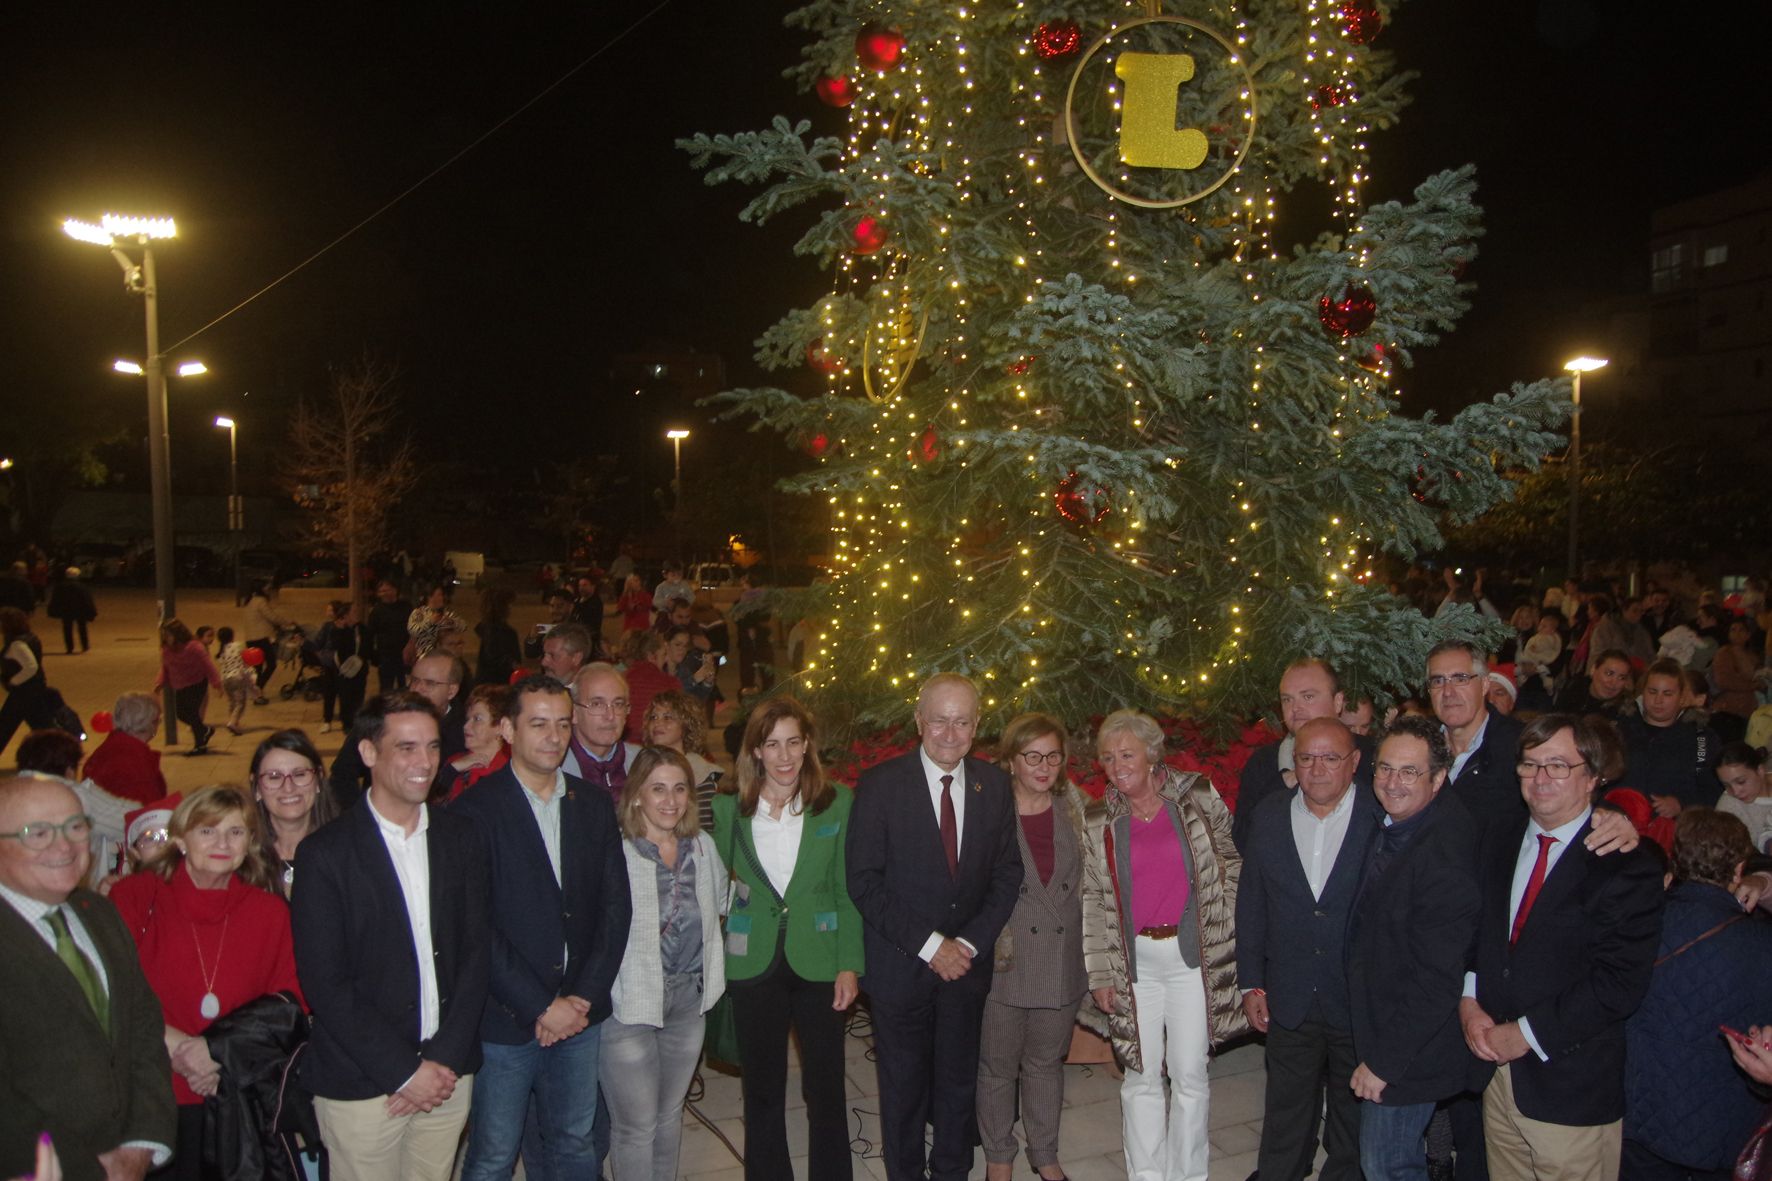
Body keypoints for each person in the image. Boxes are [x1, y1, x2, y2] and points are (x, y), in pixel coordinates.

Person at [291, 692, 491, 1181]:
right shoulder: (325, 854)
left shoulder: (461, 837)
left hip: (446, 1074)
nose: (424, 763)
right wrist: (405, 1071)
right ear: (367, 753)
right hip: (363, 1083)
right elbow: (326, 984)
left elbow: (476, 953)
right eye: (406, 747)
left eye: (432, 747)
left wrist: (441, 1060)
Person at [1460, 713, 1665, 1181]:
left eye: (1558, 765)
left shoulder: (1624, 865)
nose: (1540, 778)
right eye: (1530, 765)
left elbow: (1619, 984)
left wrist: (1526, 1034)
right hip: (1496, 1077)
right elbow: (1481, 934)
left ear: (1593, 776)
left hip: (1570, 1085)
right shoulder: (1501, 837)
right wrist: (1469, 998)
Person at [451, 675, 631, 1181]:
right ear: (508, 729)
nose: (553, 737)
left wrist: (582, 999)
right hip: (507, 1019)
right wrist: (539, 1005)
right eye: (538, 724)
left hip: (579, 1013)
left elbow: (615, 910)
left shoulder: (592, 805)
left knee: (576, 1143)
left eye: (562, 724)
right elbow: (474, 925)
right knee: (493, 1153)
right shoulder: (473, 811)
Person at [847, 673, 1022, 1181]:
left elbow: (1008, 873)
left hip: (966, 967)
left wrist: (966, 944)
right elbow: (863, 881)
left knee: (957, 1083)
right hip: (901, 966)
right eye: (939, 719)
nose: (950, 732)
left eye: (962, 720)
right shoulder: (881, 786)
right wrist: (930, 947)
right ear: (919, 720)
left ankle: (951, 1172)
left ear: (977, 726)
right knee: (902, 1087)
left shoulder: (993, 787)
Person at [1080, 707, 1247, 1181]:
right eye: (1108, 758)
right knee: (1140, 1074)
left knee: (1190, 1073)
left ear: (1152, 754)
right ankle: (1147, 1176)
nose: (1117, 766)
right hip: (1134, 964)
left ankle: (1189, 1175)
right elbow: (1093, 896)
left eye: (1127, 754)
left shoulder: (1195, 795)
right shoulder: (1099, 818)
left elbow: (1232, 858)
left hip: (1190, 958)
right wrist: (1099, 973)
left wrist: (1224, 918)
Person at [108, 785, 303, 1180]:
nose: (222, 843)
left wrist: (215, 1051)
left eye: (235, 832)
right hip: (149, 1091)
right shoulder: (135, 896)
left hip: (231, 1097)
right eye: (207, 831)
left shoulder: (269, 912)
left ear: (249, 843)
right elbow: (110, 992)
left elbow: (290, 1002)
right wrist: (185, 1049)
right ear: (180, 838)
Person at [711, 697, 862, 1181]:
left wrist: (849, 965)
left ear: (808, 746)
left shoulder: (835, 802)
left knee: (825, 1088)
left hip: (819, 960)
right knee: (761, 1089)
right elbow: (718, 887)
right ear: (754, 750)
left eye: (793, 742)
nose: (783, 756)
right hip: (753, 963)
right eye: (771, 744)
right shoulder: (727, 809)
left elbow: (846, 890)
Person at [0, 774, 177, 1181]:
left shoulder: (98, 913)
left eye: (76, 827)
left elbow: (144, 1032)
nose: (64, 847)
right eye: (37, 832)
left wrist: (140, 1145)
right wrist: (90, 1171)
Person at [1237, 717, 1376, 1181]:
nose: (1317, 769)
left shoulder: (1381, 817)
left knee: (1352, 1114)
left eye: (1330, 758)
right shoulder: (1270, 814)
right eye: (1306, 757)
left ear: (1354, 763)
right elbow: (1252, 902)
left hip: (1357, 996)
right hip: (1289, 993)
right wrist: (1252, 981)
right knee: (1285, 1109)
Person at [1346, 716, 1483, 1181]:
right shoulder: (1391, 822)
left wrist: (1383, 1064)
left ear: (1439, 779)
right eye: (1385, 769)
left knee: (1387, 1166)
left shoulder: (1443, 854)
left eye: (1409, 772)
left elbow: (1436, 978)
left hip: (1410, 1050)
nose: (1393, 782)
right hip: (1385, 1029)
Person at [974, 712, 1092, 1181]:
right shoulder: (989, 813)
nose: (1043, 766)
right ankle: (999, 1157)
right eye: (1032, 756)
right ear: (1011, 760)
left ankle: (1044, 1154)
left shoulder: (1075, 808)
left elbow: (1092, 883)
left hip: (1061, 962)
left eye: (1053, 756)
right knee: (997, 1067)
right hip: (1006, 959)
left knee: (1045, 1064)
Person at [1624, 808, 1772, 1181]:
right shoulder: (1761, 943)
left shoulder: (1639, 922)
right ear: (1739, 868)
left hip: (1641, 1115)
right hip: (1723, 1127)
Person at [602, 746, 726, 1181]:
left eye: (679, 789)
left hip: (688, 1002)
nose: (671, 801)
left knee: (670, 1114)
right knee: (636, 1126)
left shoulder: (703, 848)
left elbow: (720, 907)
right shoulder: (616, 852)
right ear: (637, 795)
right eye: (658, 789)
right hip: (630, 1004)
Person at [1233, 658, 1371, 852]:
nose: (1295, 709)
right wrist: (1283, 784)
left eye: (1308, 697)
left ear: (1338, 701)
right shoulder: (1264, 763)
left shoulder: (1372, 755)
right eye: (1287, 699)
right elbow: (1244, 840)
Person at [14, 729, 136, 886]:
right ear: (69, 771)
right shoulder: (76, 795)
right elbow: (131, 819)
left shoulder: (9, 793)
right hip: (71, 886)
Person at [1618, 658, 1722, 821]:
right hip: (1617, 820)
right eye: (1652, 691)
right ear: (1642, 692)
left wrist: (1682, 804)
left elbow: (1712, 788)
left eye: (1667, 694)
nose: (1658, 700)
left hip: (1669, 830)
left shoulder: (1701, 738)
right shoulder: (1620, 728)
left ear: (1681, 698)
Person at [249, 729, 335, 898]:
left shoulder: (346, 852)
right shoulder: (242, 857)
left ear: (318, 779)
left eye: (300, 774)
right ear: (257, 788)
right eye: (274, 777)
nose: (288, 787)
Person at [642, 689, 722, 829]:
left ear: (686, 726)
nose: (658, 723)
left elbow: (705, 826)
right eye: (653, 717)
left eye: (668, 717)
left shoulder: (699, 771)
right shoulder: (641, 766)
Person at [563, 663, 639, 801]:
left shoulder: (642, 764)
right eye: (597, 704)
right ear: (573, 712)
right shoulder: (556, 768)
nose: (610, 716)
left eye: (618, 704)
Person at [83, 692, 169, 807]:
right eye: (158, 721)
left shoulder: (108, 748)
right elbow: (148, 808)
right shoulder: (136, 759)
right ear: (152, 723)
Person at [154, 619, 222, 755]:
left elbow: (207, 665)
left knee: (192, 713)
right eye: (165, 635)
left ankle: (200, 745)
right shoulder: (167, 650)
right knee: (181, 713)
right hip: (179, 685)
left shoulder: (194, 647)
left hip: (197, 682)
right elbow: (166, 667)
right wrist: (159, 683)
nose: (166, 638)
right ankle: (205, 731)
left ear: (178, 634)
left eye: (169, 635)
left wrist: (216, 683)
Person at [0, 606, 60, 755]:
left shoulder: (17, 644)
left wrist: (13, 681)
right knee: (43, 725)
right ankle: (60, 752)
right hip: (34, 690)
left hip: (23, 692)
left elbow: (31, 667)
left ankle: (61, 752)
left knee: (5, 725)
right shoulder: (31, 637)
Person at [315, 600, 371, 735]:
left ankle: (356, 722)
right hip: (343, 670)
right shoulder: (338, 630)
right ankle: (346, 724)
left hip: (360, 669)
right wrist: (340, 630)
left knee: (358, 696)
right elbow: (334, 646)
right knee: (345, 697)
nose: (357, 614)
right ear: (345, 615)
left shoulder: (362, 629)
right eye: (353, 612)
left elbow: (367, 647)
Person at [445, 683, 510, 800]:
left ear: (501, 727)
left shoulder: (510, 772)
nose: (466, 726)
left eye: (477, 719)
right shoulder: (455, 761)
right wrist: (451, 770)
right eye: (467, 719)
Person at [621, 630, 681, 744]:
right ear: (652, 656)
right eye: (663, 655)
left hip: (625, 744)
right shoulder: (670, 683)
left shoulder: (620, 679)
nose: (666, 660)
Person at [241, 583, 294, 705]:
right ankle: (257, 690)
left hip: (250, 639)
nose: (269, 590)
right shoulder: (260, 600)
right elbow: (271, 616)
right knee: (271, 664)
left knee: (257, 668)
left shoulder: (249, 601)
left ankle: (256, 693)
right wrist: (287, 622)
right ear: (261, 589)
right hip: (261, 638)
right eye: (267, 588)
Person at [1711, 618, 1760, 743]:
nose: (1737, 633)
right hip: (1728, 710)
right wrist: (1752, 685)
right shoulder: (1724, 653)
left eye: (1741, 630)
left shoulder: (1753, 656)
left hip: (1748, 711)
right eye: (1733, 630)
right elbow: (1723, 680)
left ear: (1748, 634)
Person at [1555, 648, 1638, 720]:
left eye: (1621, 678)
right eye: (1609, 673)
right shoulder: (1571, 690)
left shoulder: (1626, 712)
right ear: (1593, 670)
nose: (1613, 682)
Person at [366, 581, 412, 693]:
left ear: (395, 590)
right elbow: (370, 634)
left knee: (406, 686)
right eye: (381, 591)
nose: (384, 593)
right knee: (386, 688)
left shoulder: (406, 607)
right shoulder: (376, 611)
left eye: (387, 590)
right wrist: (373, 655)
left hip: (405, 654)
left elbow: (414, 628)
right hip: (386, 656)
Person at [474, 587, 522, 687]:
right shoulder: (500, 631)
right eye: (509, 604)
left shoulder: (488, 628)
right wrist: (512, 664)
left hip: (488, 682)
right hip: (499, 683)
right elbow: (494, 655)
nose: (511, 608)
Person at [47, 567, 97, 655]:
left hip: (66, 610)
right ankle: (84, 645)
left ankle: (69, 647)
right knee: (82, 627)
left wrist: (53, 609)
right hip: (79, 609)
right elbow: (87, 599)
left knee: (67, 628)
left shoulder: (60, 586)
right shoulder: (82, 586)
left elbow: (56, 599)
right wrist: (91, 611)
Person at [212, 627, 252, 736]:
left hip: (225, 679)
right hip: (237, 678)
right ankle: (233, 722)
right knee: (240, 703)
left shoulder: (221, 651)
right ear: (232, 636)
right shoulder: (238, 646)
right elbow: (246, 659)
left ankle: (233, 722)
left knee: (232, 702)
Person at [407, 586, 462, 663]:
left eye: (442, 595)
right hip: (424, 656)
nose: (442, 597)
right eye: (439, 595)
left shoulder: (447, 613)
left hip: (446, 655)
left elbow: (463, 627)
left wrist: (452, 622)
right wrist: (430, 622)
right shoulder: (419, 613)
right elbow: (413, 630)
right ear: (430, 597)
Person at [616, 574, 652, 638]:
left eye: (638, 580)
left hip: (643, 626)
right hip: (630, 627)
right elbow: (620, 608)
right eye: (635, 581)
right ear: (629, 584)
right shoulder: (626, 596)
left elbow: (649, 605)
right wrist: (629, 607)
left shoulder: (645, 595)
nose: (638, 582)